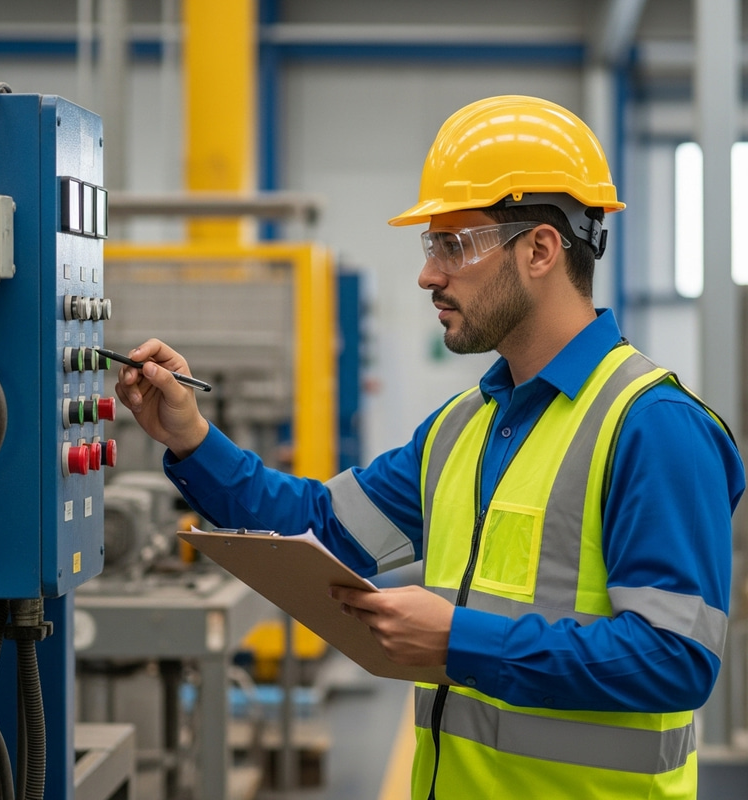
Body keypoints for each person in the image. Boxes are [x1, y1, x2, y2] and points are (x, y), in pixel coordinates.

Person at [115, 95, 745, 799]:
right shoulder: (461, 428)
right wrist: (191, 439)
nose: (429, 275)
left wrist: (458, 642)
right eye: (431, 246)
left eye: (455, 245)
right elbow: (320, 526)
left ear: (540, 249)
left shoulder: (653, 427)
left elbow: (674, 658)